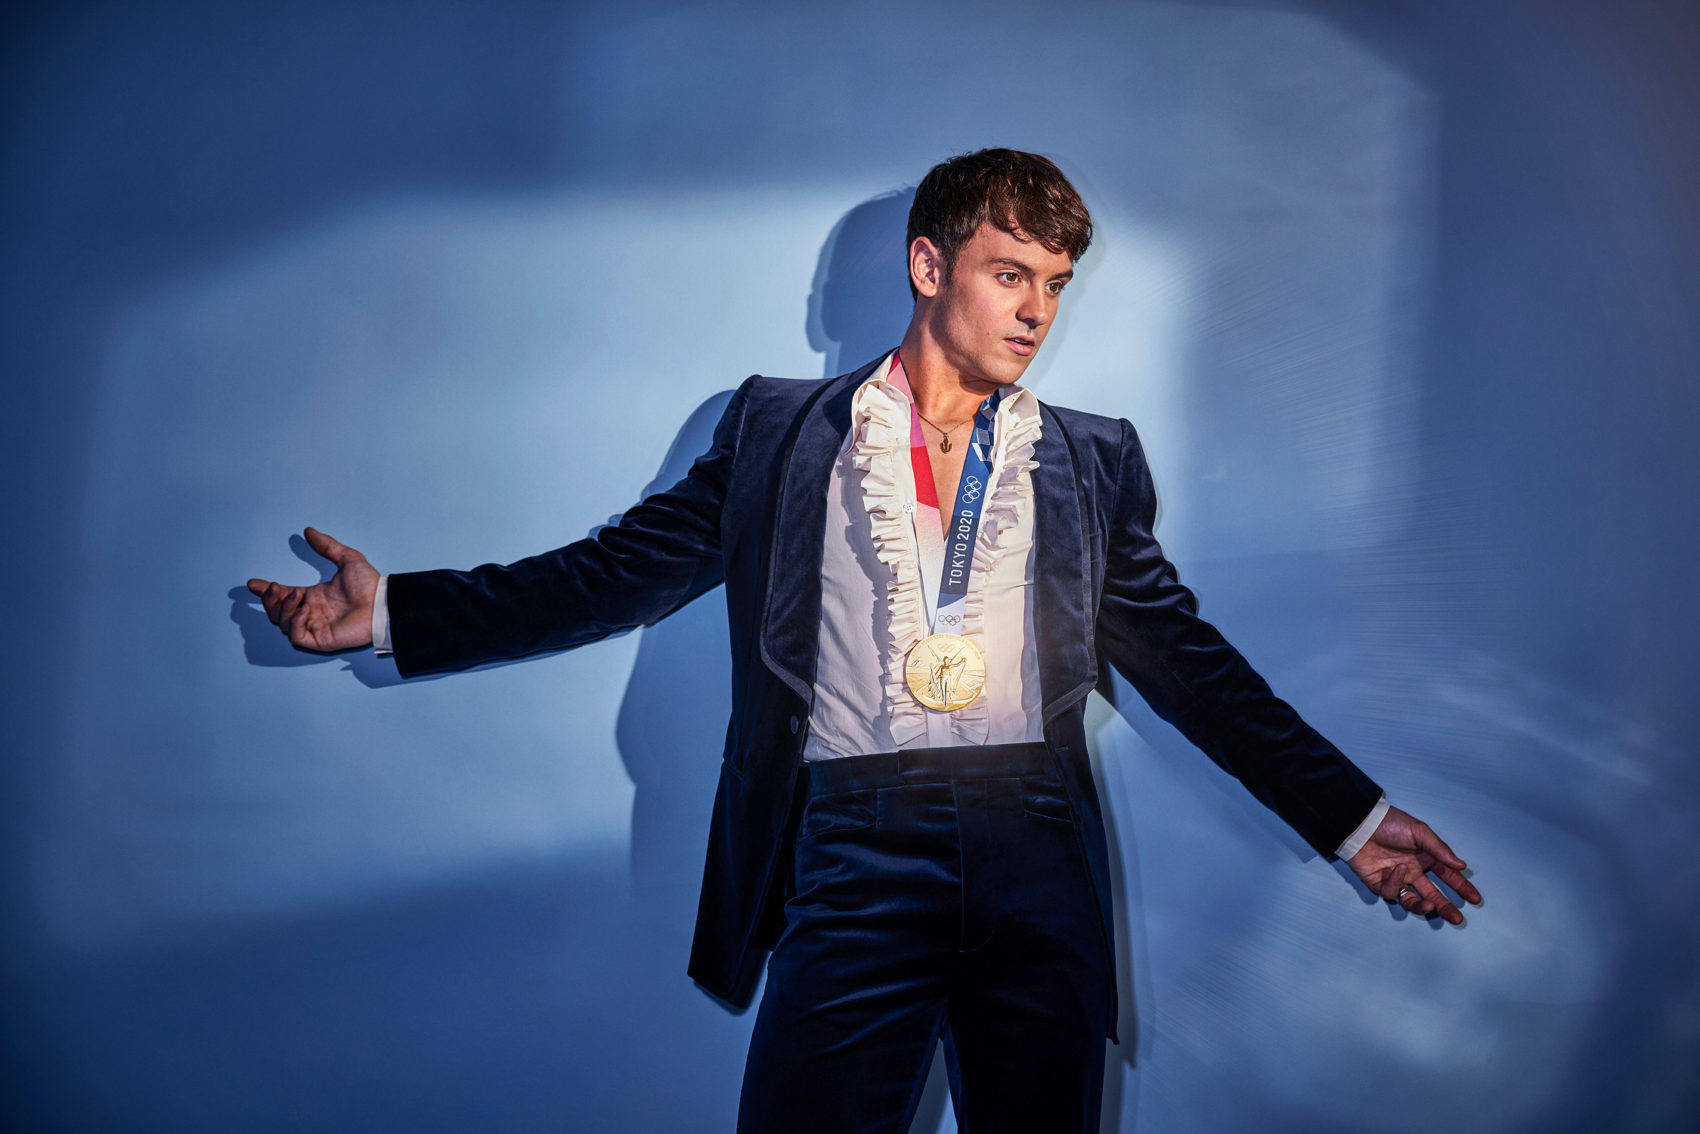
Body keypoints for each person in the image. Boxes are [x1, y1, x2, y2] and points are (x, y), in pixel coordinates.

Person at [248, 149, 1482, 1133]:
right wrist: (397, 608)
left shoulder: (1091, 458)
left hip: (1035, 849)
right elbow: (613, 574)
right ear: (926, 264)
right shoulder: (779, 432)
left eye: (1054, 283)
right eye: (1011, 274)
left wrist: (1353, 820)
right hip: (849, 844)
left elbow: (1191, 668)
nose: (1036, 310)